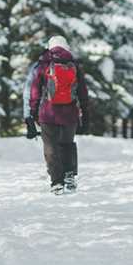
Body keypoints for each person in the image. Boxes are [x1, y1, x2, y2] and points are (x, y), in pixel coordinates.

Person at [23, 35, 89, 195]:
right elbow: (83, 92)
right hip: (70, 114)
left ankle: (57, 182)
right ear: (66, 47)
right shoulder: (73, 65)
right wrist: (85, 114)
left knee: (50, 147)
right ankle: (69, 176)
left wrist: (31, 115)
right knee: (68, 144)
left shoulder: (41, 65)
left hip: (47, 114)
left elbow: (33, 92)